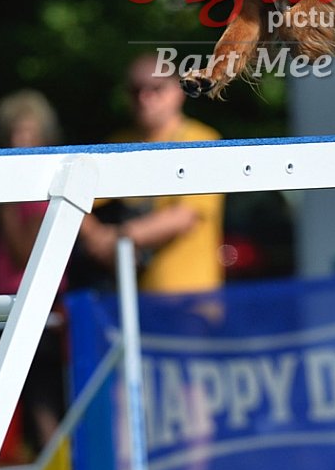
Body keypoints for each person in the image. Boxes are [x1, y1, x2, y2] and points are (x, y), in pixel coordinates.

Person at [75, 54, 225, 294]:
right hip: (127, 297)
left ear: (179, 90)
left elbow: (185, 216)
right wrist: (97, 239)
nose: (144, 98)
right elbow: (73, 196)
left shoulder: (202, 141)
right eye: (135, 90)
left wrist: (118, 239)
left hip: (190, 297)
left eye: (156, 88)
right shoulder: (119, 145)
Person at [0, 90, 65, 458]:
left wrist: (3, 204)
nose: (20, 140)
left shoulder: (37, 190)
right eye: (15, 132)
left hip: (38, 302)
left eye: (28, 132)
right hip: (15, 300)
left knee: (43, 397)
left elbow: (25, 254)